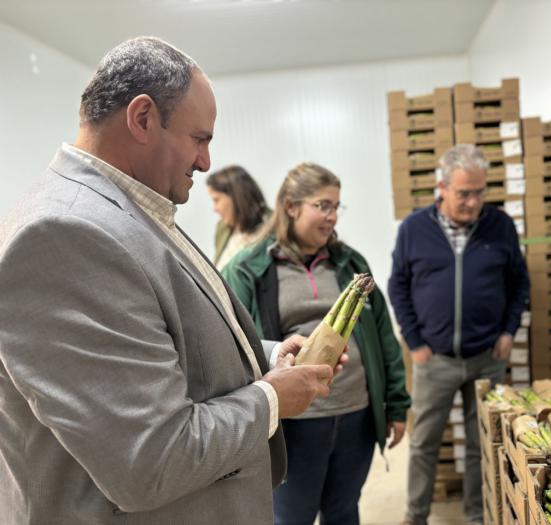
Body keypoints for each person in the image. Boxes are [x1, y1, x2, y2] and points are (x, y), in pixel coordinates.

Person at [0, 37, 340, 525]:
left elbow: (161, 342)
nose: (205, 162)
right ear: (142, 118)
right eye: (199, 139)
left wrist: (267, 357)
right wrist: (270, 397)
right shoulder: (63, 234)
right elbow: (149, 457)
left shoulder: (126, 209)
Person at [222, 162, 411, 525]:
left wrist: (397, 404)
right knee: (293, 516)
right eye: (322, 206)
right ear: (291, 206)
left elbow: (384, 335)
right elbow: (235, 342)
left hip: (355, 414)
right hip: (295, 421)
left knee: (344, 510)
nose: (332, 217)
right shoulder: (249, 269)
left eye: (337, 207)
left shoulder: (349, 263)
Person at [388, 144, 530, 525]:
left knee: (481, 443)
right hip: (434, 360)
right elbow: (398, 287)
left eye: (480, 192)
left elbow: (519, 284)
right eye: (464, 193)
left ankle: (477, 516)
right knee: (422, 443)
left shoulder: (500, 225)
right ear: (442, 187)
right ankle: (415, 516)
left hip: (488, 357)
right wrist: (415, 342)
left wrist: (508, 331)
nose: (473, 202)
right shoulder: (414, 229)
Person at [207, 165, 270, 270]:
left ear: (235, 197)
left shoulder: (271, 228)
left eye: (216, 200)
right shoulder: (222, 228)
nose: (215, 209)